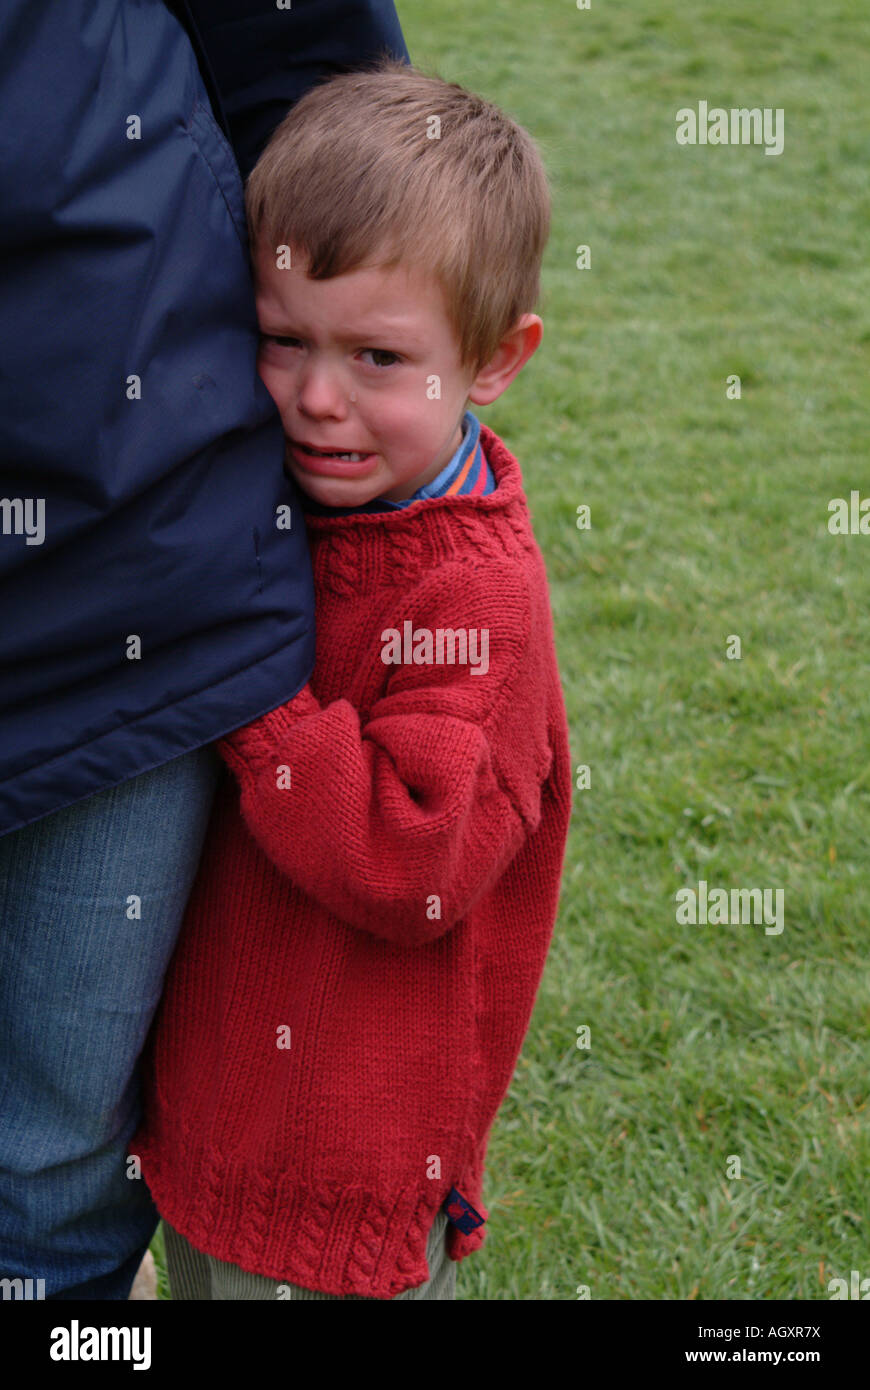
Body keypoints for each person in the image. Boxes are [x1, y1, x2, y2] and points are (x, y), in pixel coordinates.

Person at [131, 57, 573, 1300]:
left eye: (379, 359)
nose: (317, 399)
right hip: (221, 1135)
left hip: (333, 1176)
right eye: (282, 341)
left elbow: (413, 857)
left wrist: (250, 697)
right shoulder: (310, 499)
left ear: (495, 359)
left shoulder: (472, 594)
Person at [0, 0, 408, 1301]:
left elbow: (312, 81)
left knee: (52, 1178)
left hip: (134, 596)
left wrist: (391, 496)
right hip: (156, 597)